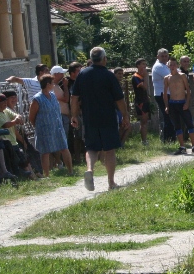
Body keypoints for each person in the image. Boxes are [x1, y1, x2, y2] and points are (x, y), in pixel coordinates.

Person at [71, 46, 130, 191]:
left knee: (91, 147)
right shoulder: (109, 75)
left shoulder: (82, 74)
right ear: (104, 59)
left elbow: (74, 97)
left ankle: (90, 170)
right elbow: (119, 99)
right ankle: (111, 182)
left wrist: (74, 115)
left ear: (91, 59)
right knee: (109, 150)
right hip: (107, 117)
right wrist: (125, 115)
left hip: (89, 116)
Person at [29, 75, 73, 177]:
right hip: (44, 129)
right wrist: (39, 127)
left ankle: (70, 171)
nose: (54, 85)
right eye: (52, 83)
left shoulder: (53, 95)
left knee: (64, 148)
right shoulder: (37, 99)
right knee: (45, 152)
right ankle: (47, 175)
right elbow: (31, 117)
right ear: (47, 84)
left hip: (57, 127)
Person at [164, 57, 194, 155]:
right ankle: (182, 146)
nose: (173, 66)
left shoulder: (182, 76)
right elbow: (165, 93)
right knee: (177, 126)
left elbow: (188, 90)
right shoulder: (167, 78)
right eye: (171, 64)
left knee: (189, 124)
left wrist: (187, 102)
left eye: (174, 64)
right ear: (168, 66)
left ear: (177, 65)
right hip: (173, 103)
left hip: (182, 103)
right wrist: (166, 106)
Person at [0, 93, 37, 180]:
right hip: (6, 143)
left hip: (13, 141)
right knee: (17, 161)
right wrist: (15, 121)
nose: (5, 104)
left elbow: (16, 115)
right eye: (2, 103)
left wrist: (18, 117)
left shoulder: (6, 111)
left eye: (5, 102)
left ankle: (33, 177)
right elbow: (6, 125)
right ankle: (21, 178)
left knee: (25, 159)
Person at [152, 49, 174, 143]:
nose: (164, 58)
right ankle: (167, 139)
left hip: (167, 93)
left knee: (169, 116)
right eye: (162, 56)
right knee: (167, 116)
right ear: (158, 57)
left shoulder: (165, 65)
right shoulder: (158, 66)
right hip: (161, 94)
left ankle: (171, 138)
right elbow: (171, 76)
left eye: (166, 56)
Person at [50, 66, 71, 145]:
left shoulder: (56, 85)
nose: (63, 75)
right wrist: (65, 86)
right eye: (62, 73)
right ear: (56, 74)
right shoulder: (54, 86)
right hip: (61, 116)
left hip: (63, 116)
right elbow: (65, 99)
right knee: (62, 139)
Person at [132, 58, 150, 145]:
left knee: (145, 121)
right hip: (140, 102)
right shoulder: (136, 77)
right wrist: (146, 76)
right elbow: (145, 87)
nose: (144, 66)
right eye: (142, 64)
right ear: (138, 65)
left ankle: (144, 140)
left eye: (145, 64)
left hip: (144, 100)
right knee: (143, 121)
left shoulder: (141, 76)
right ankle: (144, 141)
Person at [113, 67, 132, 144]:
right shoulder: (113, 84)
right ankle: (117, 143)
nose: (120, 75)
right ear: (115, 74)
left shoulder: (120, 84)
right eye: (119, 74)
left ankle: (121, 144)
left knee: (126, 126)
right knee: (120, 127)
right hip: (115, 109)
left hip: (120, 109)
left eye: (122, 74)